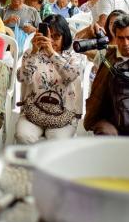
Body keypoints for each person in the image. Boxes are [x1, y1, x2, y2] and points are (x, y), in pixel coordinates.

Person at [16, 15, 85, 143]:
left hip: (64, 115)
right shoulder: (31, 53)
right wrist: (34, 52)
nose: (51, 41)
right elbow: (23, 78)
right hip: (32, 112)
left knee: (56, 141)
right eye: (48, 36)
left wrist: (51, 52)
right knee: (23, 136)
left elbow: (70, 75)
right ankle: (32, 163)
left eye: (56, 36)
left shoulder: (73, 57)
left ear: (65, 37)